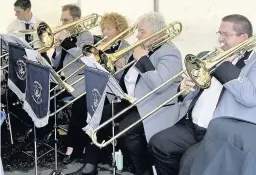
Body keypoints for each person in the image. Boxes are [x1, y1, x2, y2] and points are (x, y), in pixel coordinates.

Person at [148, 14, 254, 175]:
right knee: (158, 144)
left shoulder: (251, 63)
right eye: (219, 33)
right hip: (192, 125)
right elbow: (196, 93)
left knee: (189, 163)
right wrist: (185, 90)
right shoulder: (209, 56)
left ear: (244, 37)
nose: (220, 39)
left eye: (225, 34)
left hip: (217, 132)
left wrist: (224, 64)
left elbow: (249, 97)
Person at [81, 12, 183, 175]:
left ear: (157, 32)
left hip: (155, 104)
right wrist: (116, 67)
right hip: (132, 100)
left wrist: (142, 59)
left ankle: (144, 171)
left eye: (142, 31)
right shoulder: (143, 47)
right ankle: (90, 165)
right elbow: (129, 79)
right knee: (98, 115)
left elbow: (160, 85)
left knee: (128, 131)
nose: (137, 35)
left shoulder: (170, 53)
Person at [62, 12, 130, 164]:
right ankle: (76, 146)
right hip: (97, 86)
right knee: (80, 104)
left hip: (114, 91)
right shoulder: (99, 45)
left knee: (85, 104)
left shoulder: (127, 47)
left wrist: (121, 67)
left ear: (119, 30)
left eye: (108, 29)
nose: (104, 32)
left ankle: (81, 147)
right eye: (103, 29)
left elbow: (125, 78)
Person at [7, 0, 51, 64]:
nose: (15, 14)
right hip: (21, 58)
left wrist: (36, 52)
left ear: (27, 10)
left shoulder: (41, 24)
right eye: (15, 11)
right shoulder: (12, 26)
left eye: (18, 12)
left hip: (40, 56)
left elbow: (48, 45)